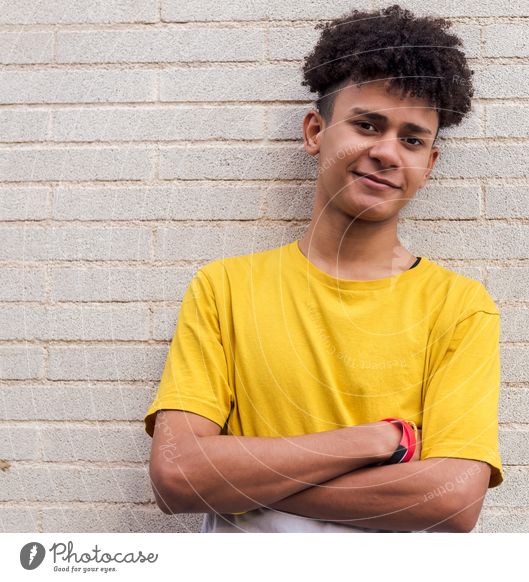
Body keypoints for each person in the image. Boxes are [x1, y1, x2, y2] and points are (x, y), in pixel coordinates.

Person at [144, 3, 503, 533]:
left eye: (412, 139)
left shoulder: (460, 306)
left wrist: (245, 479)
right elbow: (177, 476)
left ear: (429, 163)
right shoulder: (225, 289)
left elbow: (450, 502)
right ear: (315, 131)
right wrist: (379, 441)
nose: (387, 152)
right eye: (367, 124)